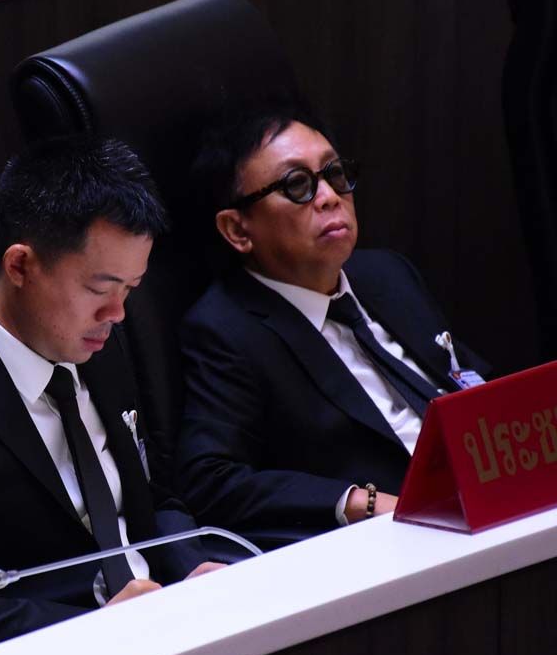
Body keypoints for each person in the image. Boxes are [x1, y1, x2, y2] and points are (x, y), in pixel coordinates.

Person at [0, 136, 223, 614]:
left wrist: (191, 567)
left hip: (167, 608)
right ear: (21, 265)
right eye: (99, 289)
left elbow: (152, 495)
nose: (117, 313)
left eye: (131, 288)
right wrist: (91, 627)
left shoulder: (102, 337)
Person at [172, 106, 491, 537]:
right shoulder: (225, 329)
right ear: (238, 230)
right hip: (400, 535)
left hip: (488, 492)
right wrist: (360, 502)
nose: (328, 196)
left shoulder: (387, 275)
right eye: (296, 184)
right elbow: (211, 479)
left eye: (335, 174)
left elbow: (470, 379)